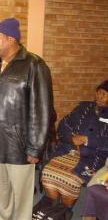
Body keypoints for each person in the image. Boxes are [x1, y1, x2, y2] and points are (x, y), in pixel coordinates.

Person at [0, 18, 53, 220]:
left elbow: (42, 110)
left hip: (20, 146)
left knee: (21, 199)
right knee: (0, 195)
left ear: (11, 39)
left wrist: (35, 148)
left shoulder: (34, 65)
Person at [40, 80, 108, 209]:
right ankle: (54, 209)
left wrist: (87, 140)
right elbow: (64, 124)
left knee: (70, 181)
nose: (99, 96)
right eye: (98, 92)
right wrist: (72, 138)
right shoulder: (85, 107)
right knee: (47, 174)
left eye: (104, 94)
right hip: (67, 150)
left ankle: (64, 211)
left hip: (91, 158)